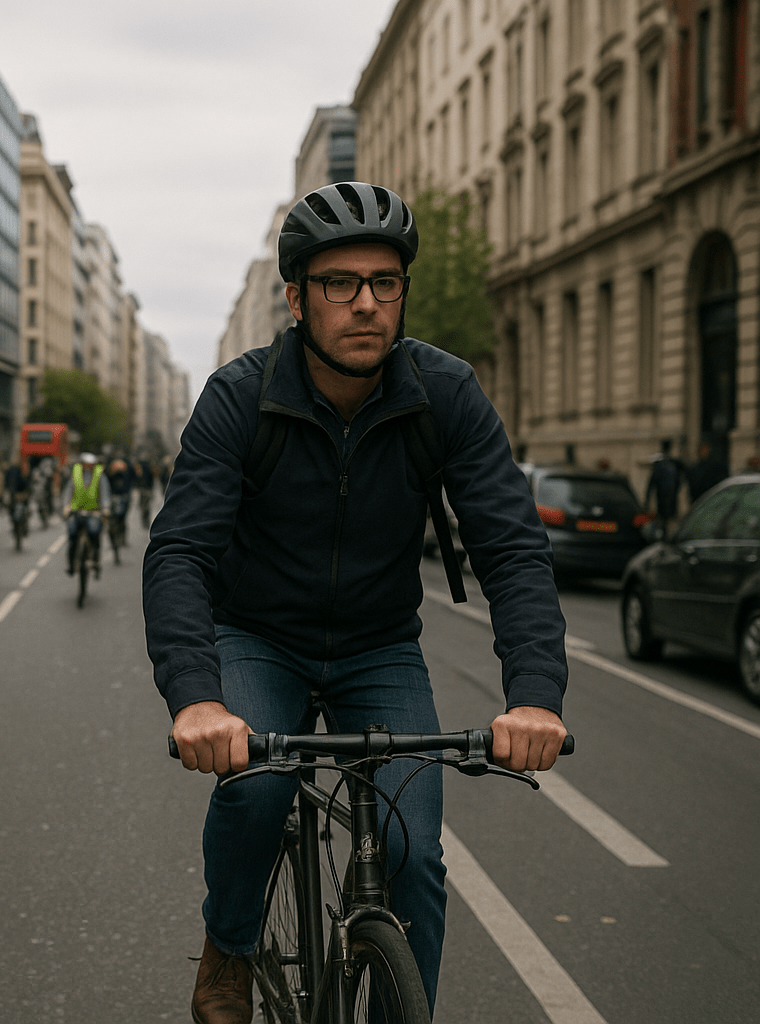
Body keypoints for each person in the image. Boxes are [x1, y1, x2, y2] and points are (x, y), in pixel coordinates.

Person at [143, 182, 568, 1024]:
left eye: (386, 281)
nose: (367, 304)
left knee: (412, 857)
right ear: (298, 298)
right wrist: (196, 697)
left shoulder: (444, 393)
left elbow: (512, 549)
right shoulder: (238, 396)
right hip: (257, 633)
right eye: (340, 283)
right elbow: (181, 550)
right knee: (257, 791)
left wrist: (534, 697)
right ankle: (229, 948)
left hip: (379, 643)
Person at [62, 452, 111, 577]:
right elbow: (68, 490)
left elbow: (105, 493)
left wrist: (105, 508)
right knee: (72, 534)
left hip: (93, 512)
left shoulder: (100, 475)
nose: (88, 466)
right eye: (86, 464)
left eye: (91, 464)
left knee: (94, 533)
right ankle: (71, 564)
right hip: (76, 511)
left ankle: (95, 560)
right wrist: (66, 506)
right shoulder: (75, 473)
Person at [645, 439, 684, 535]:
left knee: (664, 521)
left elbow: (651, 483)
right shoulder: (672, 464)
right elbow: (679, 481)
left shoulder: (661, 464)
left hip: (664, 497)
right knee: (667, 522)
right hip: (669, 497)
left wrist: (647, 500)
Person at [687, 438, 729, 503]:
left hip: (711, 499)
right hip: (699, 500)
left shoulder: (716, 466)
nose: (703, 452)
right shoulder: (695, 468)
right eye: (701, 450)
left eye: (705, 449)